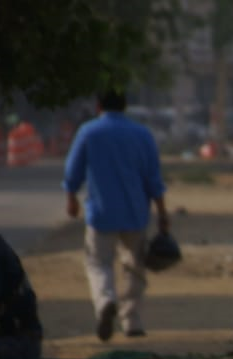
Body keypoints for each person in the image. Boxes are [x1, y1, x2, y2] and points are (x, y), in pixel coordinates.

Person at [62, 90, 169, 341]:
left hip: (101, 214)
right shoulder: (142, 134)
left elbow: (73, 171)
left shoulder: (89, 132)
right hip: (135, 214)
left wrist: (71, 199)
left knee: (98, 263)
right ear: (125, 107)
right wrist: (163, 213)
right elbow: (154, 179)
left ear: (98, 105)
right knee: (135, 267)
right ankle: (132, 321)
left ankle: (105, 302)